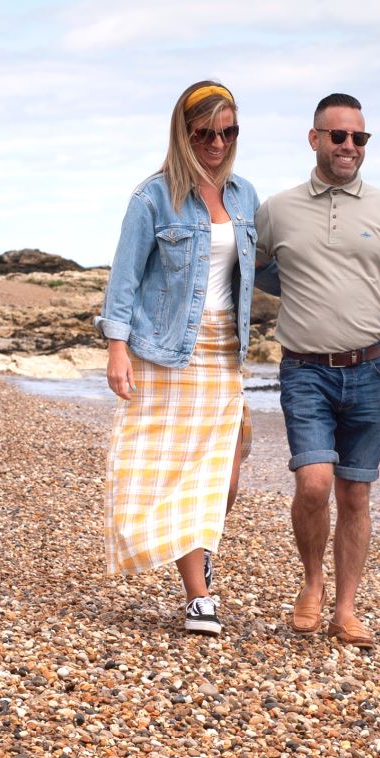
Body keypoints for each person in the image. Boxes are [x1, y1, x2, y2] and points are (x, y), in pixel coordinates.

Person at [254, 93, 380, 648]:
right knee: (314, 483)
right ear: (315, 139)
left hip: (371, 371)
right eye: (339, 136)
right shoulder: (277, 209)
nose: (350, 146)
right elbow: (250, 271)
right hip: (305, 371)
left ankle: (345, 610)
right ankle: (311, 582)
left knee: (355, 494)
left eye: (360, 138)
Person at [96, 80, 261, 637]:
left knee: (222, 479)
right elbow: (124, 280)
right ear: (183, 133)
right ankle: (199, 596)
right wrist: (117, 347)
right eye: (205, 132)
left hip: (224, 355)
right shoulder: (151, 198)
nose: (217, 142)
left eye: (228, 131)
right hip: (165, 353)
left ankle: (197, 546)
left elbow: (263, 270)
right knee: (157, 473)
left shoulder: (244, 196)